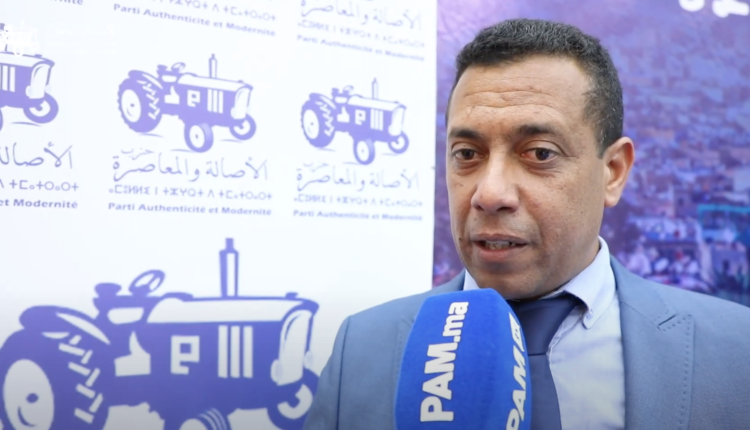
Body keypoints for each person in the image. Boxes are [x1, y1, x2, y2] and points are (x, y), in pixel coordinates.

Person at [302, 19, 750, 430]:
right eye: (467, 154)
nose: (489, 193)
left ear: (613, 171)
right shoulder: (360, 352)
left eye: (539, 153)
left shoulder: (735, 351)